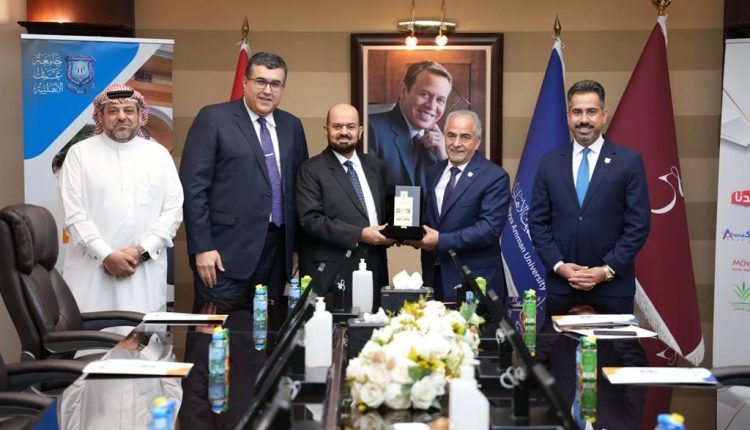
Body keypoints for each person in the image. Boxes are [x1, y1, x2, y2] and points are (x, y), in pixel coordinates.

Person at [179, 51, 308, 429]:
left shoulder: (292, 126)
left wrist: (296, 248)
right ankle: (199, 422)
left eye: (276, 84)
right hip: (222, 255)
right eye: (261, 81)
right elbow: (194, 188)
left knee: (261, 344)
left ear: (283, 88)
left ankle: (251, 419)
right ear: (245, 82)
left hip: (276, 253)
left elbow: (295, 192)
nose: (268, 90)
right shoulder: (214, 118)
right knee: (209, 345)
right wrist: (202, 245)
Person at [59, 84, 183, 313]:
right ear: (100, 116)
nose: (122, 117)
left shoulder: (158, 155)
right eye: (113, 111)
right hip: (92, 273)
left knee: (143, 333)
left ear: (140, 115)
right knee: (93, 333)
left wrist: (141, 253)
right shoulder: (79, 154)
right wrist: (106, 255)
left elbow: (173, 211)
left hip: (143, 271)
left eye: (129, 110)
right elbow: (74, 215)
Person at [529, 79, 651, 313]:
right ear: (568, 117)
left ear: (604, 115)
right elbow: (537, 222)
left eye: (591, 112)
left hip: (612, 288)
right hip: (562, 286)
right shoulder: (549, 163)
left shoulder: (629, 162)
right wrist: (559, 266)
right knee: (557, 340)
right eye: (577, 112)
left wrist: (606, 271)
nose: (583, 119)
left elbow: (638, 225)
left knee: (614, 341)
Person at [296, 104, 394, 311]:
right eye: (337, 126)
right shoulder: (310, 169)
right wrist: (360, 234)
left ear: (360, 130)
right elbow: (311, 220)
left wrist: (400, 231)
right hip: (333, 270)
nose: (344, 132)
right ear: (326, 129)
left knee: (374, 325)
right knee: (335, 328)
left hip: (374, 265)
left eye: (350, 126)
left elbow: (382, 214)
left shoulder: (376, 166)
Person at [408, 110, 510, 301]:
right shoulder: (433, 172)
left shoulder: (494, 177)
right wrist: (409, 233)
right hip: (434, 276)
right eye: (451, 135)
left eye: (465, 137)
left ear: (477, 142)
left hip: (473, 280)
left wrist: (441, 240)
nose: (456, 143)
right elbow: (429, 219)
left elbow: (489, 229)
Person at [368, 61, 453, 189]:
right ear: (403, 91)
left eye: (440, 100)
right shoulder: (371, 129)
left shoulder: (441, 146)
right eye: (424, 94)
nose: (431, 106)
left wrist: (445, 159)